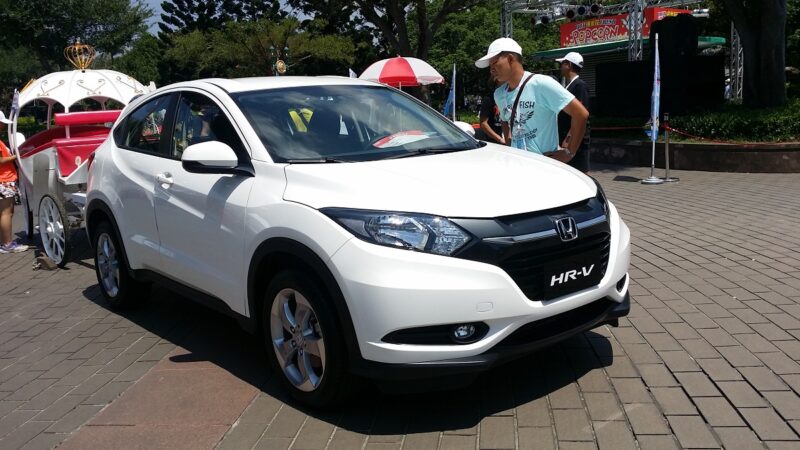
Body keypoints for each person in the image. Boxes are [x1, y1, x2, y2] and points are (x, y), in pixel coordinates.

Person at [475, 38, 588, 164]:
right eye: (490, 65)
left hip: (545, 165)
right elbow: (504, 120)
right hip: (518, 163)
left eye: (494, 63)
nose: (491, 69)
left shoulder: (541, 84)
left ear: (510, 59)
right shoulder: (499, 94)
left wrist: (569, 152)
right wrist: (509, 145)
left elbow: (580, 114)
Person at [556, 52, 591, 173]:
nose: (560, 66)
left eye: (562, 63)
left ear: (569, 65)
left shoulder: (580, 86)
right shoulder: (569, 85)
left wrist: (568, 139)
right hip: (567, 137)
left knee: (581, 173)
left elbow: (580, 115)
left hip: (576, 141)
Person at [0, 111, 30, 253]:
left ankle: (5, 242)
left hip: (5, 180)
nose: (2, 126)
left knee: (6, 213)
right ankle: (7, 244)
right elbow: (1, 161)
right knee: (6, 213)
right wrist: (17, 155)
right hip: (4, 180)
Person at [478, 76, 504, 144]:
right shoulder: (489, 99)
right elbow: (483, 123)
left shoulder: (511, 98)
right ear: (497, 81)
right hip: (494, 142)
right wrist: (500, 139)